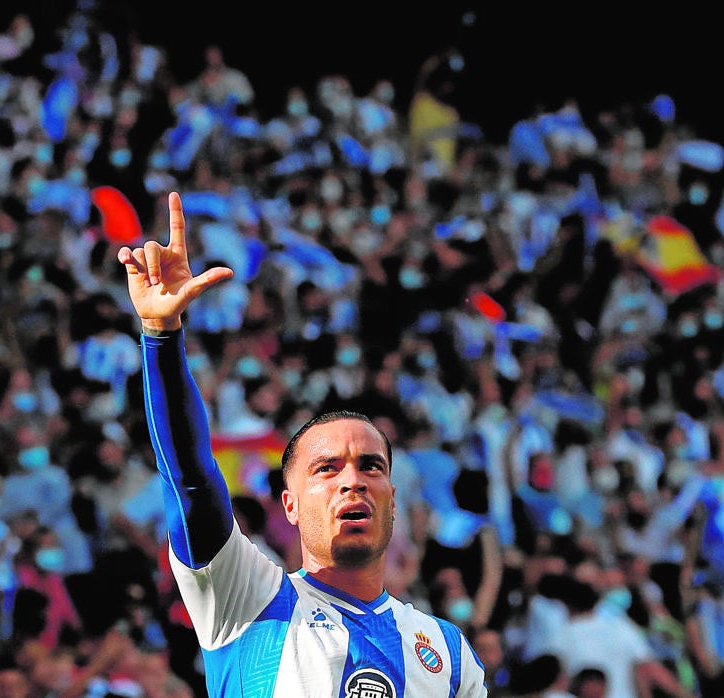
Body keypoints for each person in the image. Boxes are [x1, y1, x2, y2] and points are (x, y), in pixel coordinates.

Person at [115, 192, 487, 696]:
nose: (352, 480)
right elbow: (192, 479)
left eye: (372, 467)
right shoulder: (246, 598)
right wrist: (161, 334)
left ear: (393, 501)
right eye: (326, 469)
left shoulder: (448, 654)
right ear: (288, 505)